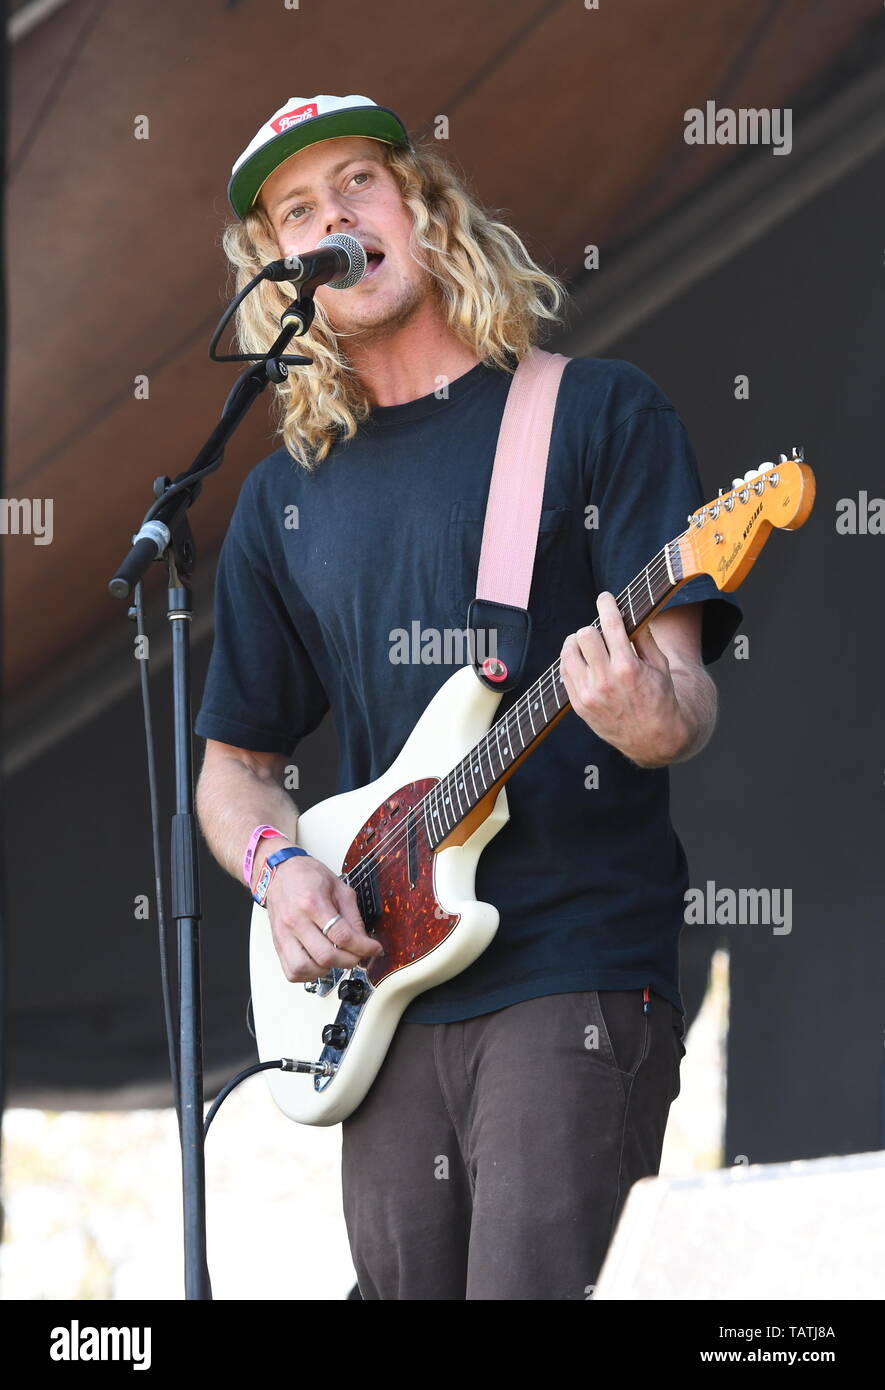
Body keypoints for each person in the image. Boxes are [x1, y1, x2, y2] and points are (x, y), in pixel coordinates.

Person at [194, 94, 742, 1300]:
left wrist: (640, 711)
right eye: (298, 210)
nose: (334, 218)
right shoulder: (284, 499)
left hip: (572, 960)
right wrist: (282, 869)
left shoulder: (595, 411)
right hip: (386, 990)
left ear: (423, 208)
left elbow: (683, 703)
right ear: (279, 265)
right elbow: (235, 767)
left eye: (358, 183)